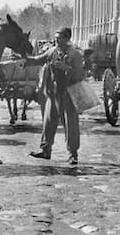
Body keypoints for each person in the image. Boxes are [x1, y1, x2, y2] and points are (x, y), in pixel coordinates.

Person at [25, 27, 85, 165]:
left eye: (59, 38)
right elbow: (38, 60)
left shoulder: (74, 54)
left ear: (67, 39)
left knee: (70, 125)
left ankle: (73, 154)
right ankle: (46, 151)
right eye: (56, 38)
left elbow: (80, 75)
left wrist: (66, 68)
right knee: (48, 123)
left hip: (68, 94)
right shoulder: (53, 51)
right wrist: (25, 59)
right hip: (53, 93)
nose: (56, 40)